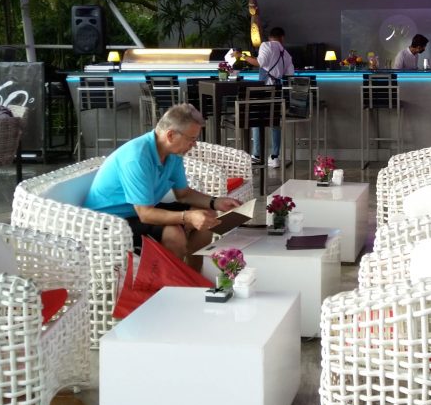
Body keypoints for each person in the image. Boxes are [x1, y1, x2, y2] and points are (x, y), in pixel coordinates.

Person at [84, 103, 239, 268]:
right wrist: (188, 217)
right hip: (109, 222)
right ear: (171, 135)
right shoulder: (136, 158)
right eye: (192, 139)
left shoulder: (173, 154)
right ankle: (172, 282)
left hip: (140, 210)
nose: (194, 145)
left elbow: (184, 194)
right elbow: (145, 214)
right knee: (174, 234)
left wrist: (216, 202)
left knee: (208, 216)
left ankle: (193, 276)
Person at [244, 26, 295, 167]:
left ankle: (256, 155)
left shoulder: (266, 45)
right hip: (278, 89)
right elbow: (290, 75)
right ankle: (274, 157)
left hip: (264, 88)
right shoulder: (286, 54)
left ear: (270, 37)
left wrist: (243, 57)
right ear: (282, 38)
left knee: (256, 120)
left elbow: (259, 63)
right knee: (274, 122)